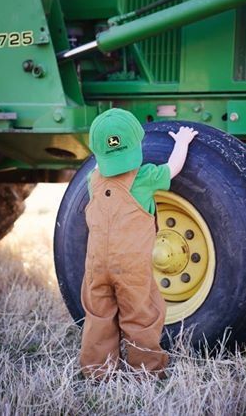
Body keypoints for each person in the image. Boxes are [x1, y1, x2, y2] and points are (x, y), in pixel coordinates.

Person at [80, 108, 198, 379]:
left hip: (96, 267)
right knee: (140, 316)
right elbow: (174, 168)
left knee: (98, 316)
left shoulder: (92, 180)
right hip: (131, 268)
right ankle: (146, 371)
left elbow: (100, 165)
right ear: (137, 145)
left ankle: (98, 371)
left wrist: (103, 149)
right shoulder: (144, 176)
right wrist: (181, 142)